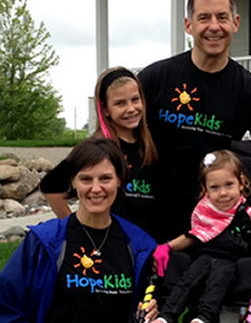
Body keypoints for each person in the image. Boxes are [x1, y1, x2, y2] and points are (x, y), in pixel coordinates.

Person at [138, 0, 251, 242]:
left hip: (213, 218)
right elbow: (115, 129)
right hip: (150, 213)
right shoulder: (156, 78)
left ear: (235, 23)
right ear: (189, 25)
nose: (214, 27)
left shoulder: (248, 88)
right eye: (204, 18)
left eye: (222, 17)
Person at [0, 137, 158, 323]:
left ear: (119, 181)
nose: (96, 188)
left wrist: (155, 309)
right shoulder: (42, 242)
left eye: (105, 178)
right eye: (86, 179)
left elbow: (156, 302)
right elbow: (7, 307)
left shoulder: (141, 247)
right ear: (73, 182)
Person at [151, 150, 251, 323]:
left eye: (229, 185)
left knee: (219, 276)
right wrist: (167, 247)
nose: (223, 193)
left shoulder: (248, 213)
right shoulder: (205, 212)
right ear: (205, 190)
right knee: (189, 278)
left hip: (233, 262)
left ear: (242, 183)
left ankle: (203, 317)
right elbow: (193, 235)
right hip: (204, 256)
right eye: (215, 188)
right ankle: (166, 316)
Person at [44, 67, 162, 240]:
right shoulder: (96, 148)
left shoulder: (150, 145)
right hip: (111, 245)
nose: (131, 108)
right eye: (120, 103)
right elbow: (51, 188)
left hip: (147, 244)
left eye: (135, 100)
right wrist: (75, 229)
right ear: (105, 109)